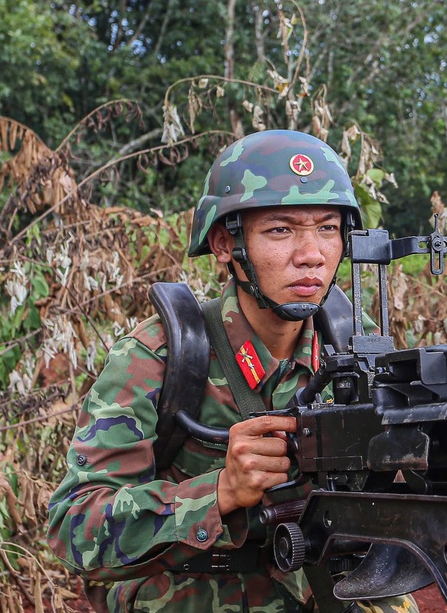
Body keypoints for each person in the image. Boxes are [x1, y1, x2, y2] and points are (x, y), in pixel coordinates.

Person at [47, 130, 418, 613]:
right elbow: (73, 530)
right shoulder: (161, 354)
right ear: (225, 244)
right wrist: (219, 493)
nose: (311, 254)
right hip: (195, 594)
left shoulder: (353, 344)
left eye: (328, 228)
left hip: (324, 589)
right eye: (281, 230)